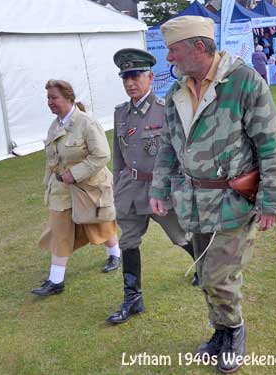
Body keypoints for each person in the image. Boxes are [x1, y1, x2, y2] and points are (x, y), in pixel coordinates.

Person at [153, 16, 276, 373]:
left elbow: (271, 145)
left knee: (217, 276)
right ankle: (221, 332)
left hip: (232, 202)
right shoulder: (177, 91)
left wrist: (271, 201)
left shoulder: (243, 82)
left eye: (174, 50)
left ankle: (235, 331)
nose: (169, 58)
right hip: (193, 201)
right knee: (205, 272)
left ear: (199, 47)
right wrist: (159, 188)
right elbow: (168, 144)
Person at [107, 48, 199, 325]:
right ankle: (132, 298)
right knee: (128, 242)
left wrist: (181, 188)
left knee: (180, 236)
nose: (130, 83)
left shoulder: (165, 109)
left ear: (150, 77)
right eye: (125, 78)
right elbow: (118, 156)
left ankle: (204, 266)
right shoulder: (121, 113)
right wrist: (117, 185)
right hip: (130, 188)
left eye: (135, 76)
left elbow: (181, 152)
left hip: (161, 189)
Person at [32, 80, 120, 296]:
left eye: (54, 98)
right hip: (61, 190)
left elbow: (102, 155)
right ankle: (56, 281)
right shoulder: (55, 126)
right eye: (48, 99)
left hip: (88, 187)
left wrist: (76, 173)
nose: (50, 103)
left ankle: (115, 254)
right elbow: (52, 160)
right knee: (58, 230)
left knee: (100, 225)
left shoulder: (86, 123)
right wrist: (49, 185)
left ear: (68, 98)